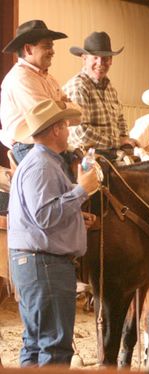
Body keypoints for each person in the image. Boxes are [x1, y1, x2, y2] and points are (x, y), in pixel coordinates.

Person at [8, 99, 100, 367]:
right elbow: (45, 216)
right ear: (57, 128)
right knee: (54, 344)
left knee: (37, 341)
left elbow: (40, 214)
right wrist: (81, 190)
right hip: (45, 264)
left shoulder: (41, 163)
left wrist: (74, 216)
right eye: (66, 126)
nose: (70, 130)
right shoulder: (43, 166)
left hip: (36, 262)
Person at [0, 20, 81, 163]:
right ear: (28, 49)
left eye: (52, 46)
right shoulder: (21, 78)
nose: (52, 51)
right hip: (29, 147)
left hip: (47, 146)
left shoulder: (48, 78)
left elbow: (79, 115)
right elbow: (46, 120)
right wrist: (62, 107)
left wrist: (60, 107)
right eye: (47, 46)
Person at [63, 31, 134, 156]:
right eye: (95, 57)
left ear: (111, 60)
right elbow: (80, 133)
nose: (100, 63)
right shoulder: (78, 87)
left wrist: (125, 139)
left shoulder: (110, 89)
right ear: (84, 59)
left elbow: (121, 120)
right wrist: (117, 142)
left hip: (111, 153)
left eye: (105, 58)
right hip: (85, 156)